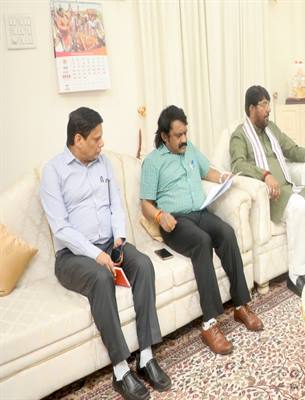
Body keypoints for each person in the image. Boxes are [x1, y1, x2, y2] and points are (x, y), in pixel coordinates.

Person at [40, 107, 171, 400]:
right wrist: (96, 255)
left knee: (144, 265)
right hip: (72, 257)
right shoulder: (53, 172)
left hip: (109, 244)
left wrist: (119, 238)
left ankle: (146, 356)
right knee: (101, 278)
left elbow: (115, 205)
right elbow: (61, 228)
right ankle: (121, 370)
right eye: (96, 139)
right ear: (78, 139)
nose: (102, 144)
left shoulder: (104, 163)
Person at [140, 105, 263, 356]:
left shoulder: (190, 150)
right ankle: (209, 324)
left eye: (185, 133)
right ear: (164, 136)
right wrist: (160, 216)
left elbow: (208, 171)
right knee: (202, 242)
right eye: (178, 135)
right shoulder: (153, 162)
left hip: (200, 213)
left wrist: (223, 178)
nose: (184, 139)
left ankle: (241, 305)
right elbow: (145, 204)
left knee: (227, 233)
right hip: (176, 222)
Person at [229, 85, 305, 297]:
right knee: (298, 206)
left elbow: (292, 150)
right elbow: (238, 164)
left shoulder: (272, 129)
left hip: (290, 188)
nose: (268, 109)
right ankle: (297, 275)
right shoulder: (239, 136)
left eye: (268, 104)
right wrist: (264, 175)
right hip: (271, 196)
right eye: (263, 105)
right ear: (251, 109)